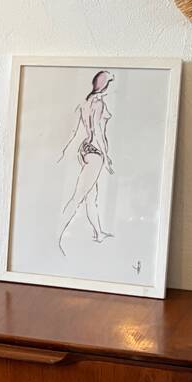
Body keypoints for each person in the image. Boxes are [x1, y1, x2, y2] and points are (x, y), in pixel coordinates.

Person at [57, 70, 115, 253]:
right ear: (106, 85)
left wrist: (66, 151)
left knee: (91, 197)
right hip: (95, 153)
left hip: (85, 150)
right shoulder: (98, 103)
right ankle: (56, 235)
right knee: (78, 197)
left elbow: (74, 131)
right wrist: (106, 157)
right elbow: (98, 131)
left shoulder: (85, 103)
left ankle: (98, 233)